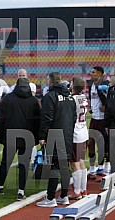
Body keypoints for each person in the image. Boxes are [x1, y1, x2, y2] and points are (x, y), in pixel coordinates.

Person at [0, 78, 41, 201]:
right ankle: (20, 191)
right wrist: (35, 138)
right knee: (24, 164)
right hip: (27, 137)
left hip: (11, 135)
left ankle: (0, 186)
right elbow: (38, 122)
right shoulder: (34, 101)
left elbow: (0, 120)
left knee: (5, 163)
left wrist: (2, 136)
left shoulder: (8, 98)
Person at [36, 72, 76, 207]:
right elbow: (74, 117)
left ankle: (50, 198)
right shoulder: (70, 97)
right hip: (68, 135)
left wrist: (42, 136)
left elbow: (46, 118)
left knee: (53, 166)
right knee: (64, 166)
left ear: (50, 82)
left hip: (54, 135)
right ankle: (64, 196)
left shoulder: (50, 96)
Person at [87, 66, 110, 179]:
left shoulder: (105, 84)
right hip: (94, 118)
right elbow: (92, 98)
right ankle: (92, 169)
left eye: (94, 72)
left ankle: (105, 167)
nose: (91, 74)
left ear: (100, 74)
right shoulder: (91, 84)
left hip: (103, 119)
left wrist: (106, 106)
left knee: (104, 145)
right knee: (90, 143)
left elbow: (111, 99)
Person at [69, 77, 89, 200]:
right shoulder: (84, 98)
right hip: (83, 132)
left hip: (75, 133)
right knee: (81, 162)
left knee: (74, 163)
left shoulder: (73, 99)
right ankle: (83, 189)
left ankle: (77, 191)